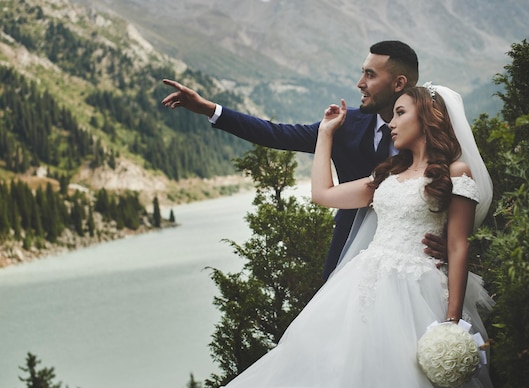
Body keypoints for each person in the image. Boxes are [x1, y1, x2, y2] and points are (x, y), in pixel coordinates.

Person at [189, 85, 498, 388]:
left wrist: (451, 321)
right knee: (342, 376)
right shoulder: (388, 175)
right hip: (362, 286)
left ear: (426, 118)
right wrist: (325, 134)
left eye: (400, 113)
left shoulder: (455, 173)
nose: (391, 123)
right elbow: (323, 193)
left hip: (419, 293)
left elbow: (457, 244)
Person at [161, 40, 447, 280]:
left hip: (415, 257)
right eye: (362, 73)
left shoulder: (433, 132)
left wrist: (452, 241)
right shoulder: (345, 124)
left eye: (370, 75)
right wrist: (209, 109)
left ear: (399, 83)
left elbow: (456, 189)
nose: (360, 83)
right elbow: (278, 134)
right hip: (348, 246)